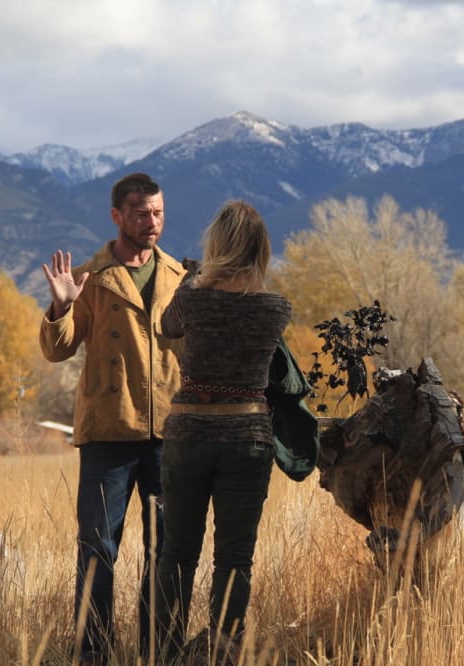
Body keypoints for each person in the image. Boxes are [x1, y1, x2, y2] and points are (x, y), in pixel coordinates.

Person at [39, 172, 185, 664]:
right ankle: (93, 653)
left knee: (167, 552)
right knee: (98, 551)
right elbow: (56, 351)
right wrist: (61, 306)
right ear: (117, 216)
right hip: (108, 435)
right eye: (142, 212)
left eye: (159, 212)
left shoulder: (180, 279)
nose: (153, 221)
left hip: (169, 433)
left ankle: (160, 650)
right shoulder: (90, 277)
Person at [155, 200, 291, 664]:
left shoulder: (191, 296)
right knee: (234, 557)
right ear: (261, 250)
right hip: (248, 436)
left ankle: (166, 654)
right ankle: (224, 653)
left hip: (188, 434)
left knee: (176, 553)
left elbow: (166, 325)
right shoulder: (276, 308)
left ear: (217, 244)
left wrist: (192, 277)